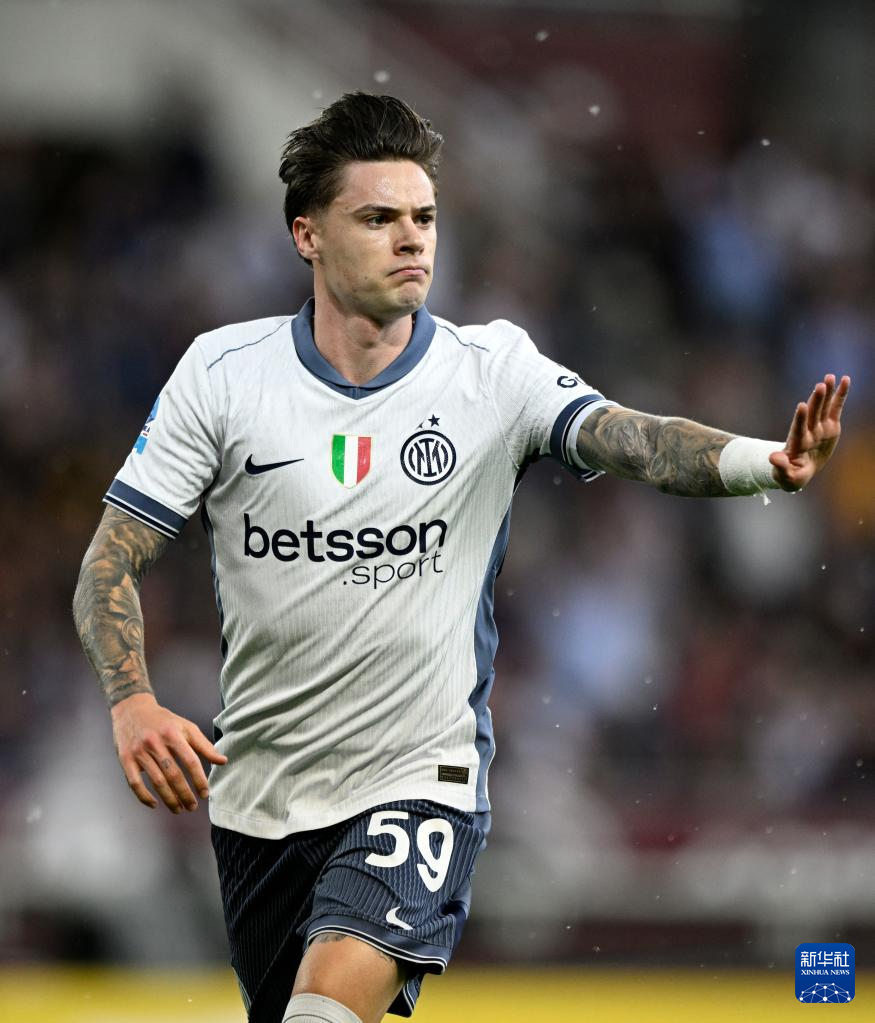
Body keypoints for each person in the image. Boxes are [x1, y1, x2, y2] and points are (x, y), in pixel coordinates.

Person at [73, 93, 850, 1023]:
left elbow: (631, 439)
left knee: (324, 1010)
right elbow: (108, 562)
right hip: (260, 800)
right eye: (378, 218)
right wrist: (132, 702)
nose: (411, 238)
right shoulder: (223, 375)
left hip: (418, 781)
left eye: (424, 216)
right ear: (306, 236)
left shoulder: (491, 371)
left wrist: (764, 461)